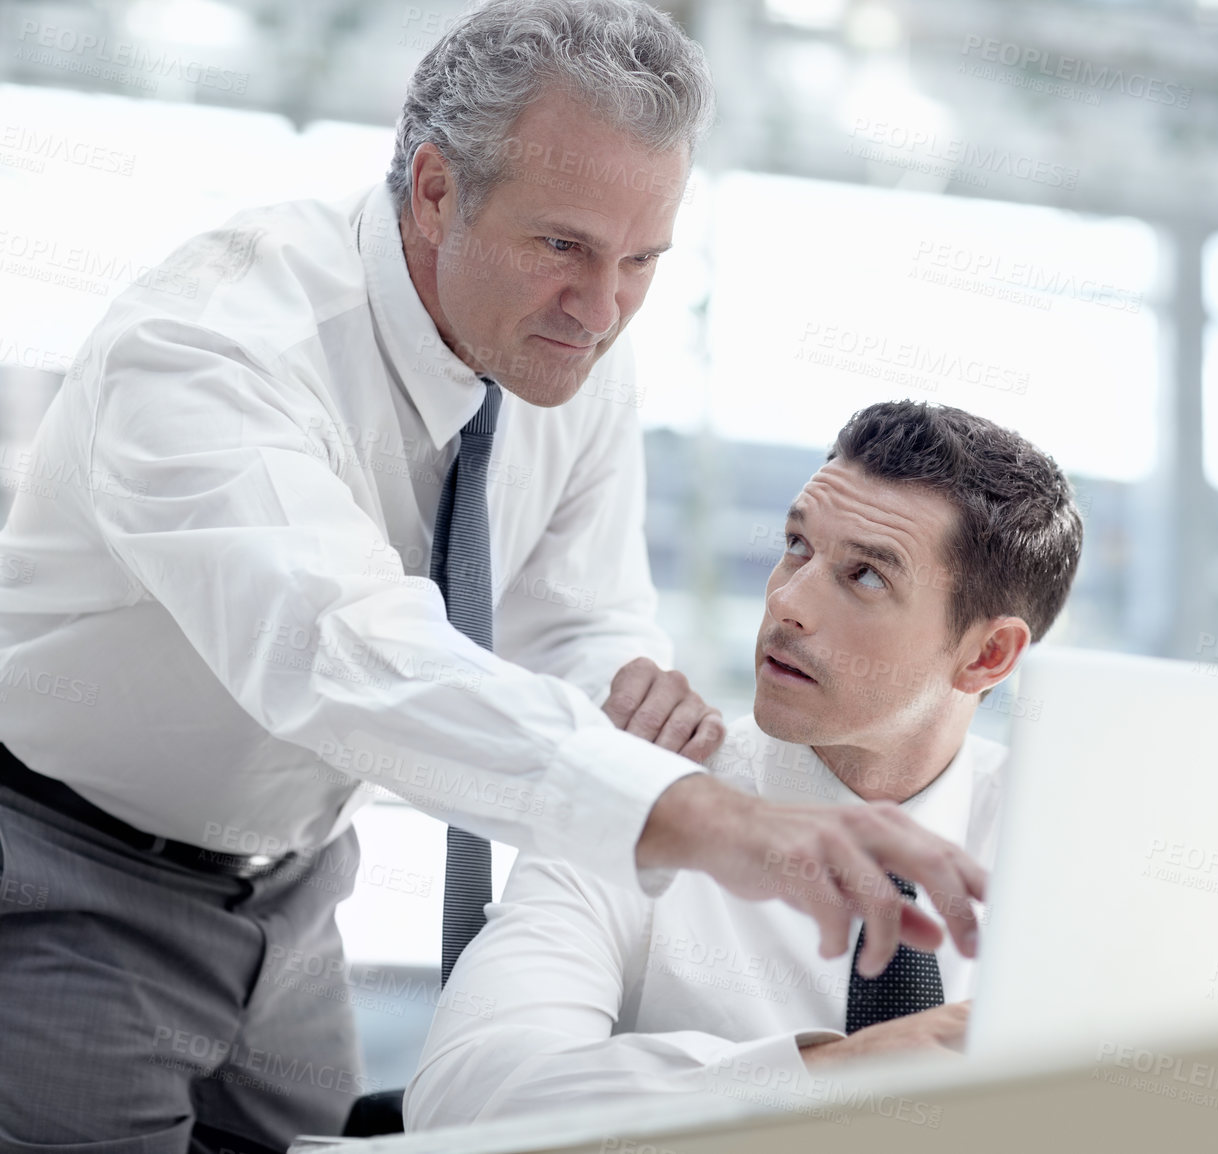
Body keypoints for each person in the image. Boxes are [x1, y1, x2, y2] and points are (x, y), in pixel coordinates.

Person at [0, 4, 983, 1150]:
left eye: (643, 260)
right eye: (561, 245)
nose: (603, 309)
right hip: (75, 872)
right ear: (432, 190)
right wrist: (701, 818)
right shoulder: (214, 350)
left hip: (297, 882)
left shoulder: (564, 346)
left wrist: (625, 688)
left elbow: (570, 612)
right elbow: (343, 652)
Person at [403, 401, 1084, 1128]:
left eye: (865, 577)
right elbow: (462, 1100)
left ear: (987, 656)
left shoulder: (1066, 844)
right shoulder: (652, 794)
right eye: (796, 545)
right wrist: (834, 1074)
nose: (787, 602)